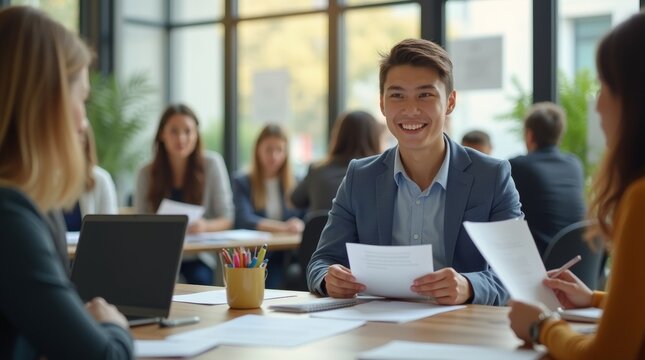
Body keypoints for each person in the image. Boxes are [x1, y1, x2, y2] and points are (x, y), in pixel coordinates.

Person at [307, 38, 522, 306]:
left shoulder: (491, 176)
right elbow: (321, 261)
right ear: (383, 104)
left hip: (460, 329)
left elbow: (517, 275)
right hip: (378, 327)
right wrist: (329, 279)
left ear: (451, 102)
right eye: (397, 95)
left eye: (425, 95)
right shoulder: (359, 177)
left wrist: (468, 286)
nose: (410, 110)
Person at [509, 11, 645, 359]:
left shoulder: (641, 197)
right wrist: (598, 299)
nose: (597, 103)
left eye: (605, 86)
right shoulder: (572, 163)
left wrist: (542, 325)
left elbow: (606, 354)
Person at [0, 6, 133, 359]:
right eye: (82, 100)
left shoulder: (28, 206)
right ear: (48, 104)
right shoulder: (10, 217)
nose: (84, 123)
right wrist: (113, 327)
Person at [134, 104, 234, 285]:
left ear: (196, 135)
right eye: (174, 131)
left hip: (198, 256)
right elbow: (140, 223)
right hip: (159, 255)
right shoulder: (146, 173)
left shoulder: (212, 164)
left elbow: (226, 217)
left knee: (199, 279)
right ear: (162, 135)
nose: (181, 138)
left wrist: (205, 226)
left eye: (188, 131)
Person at [233, 124, 305, 288]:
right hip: (257, 255)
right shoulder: (243, 182)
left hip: (288, 253)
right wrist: (284, 228)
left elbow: (306, 215)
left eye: (279, 150)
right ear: (258, 150)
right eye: (268, 150)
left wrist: (299, 224)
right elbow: (244, 220)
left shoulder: (296, 181)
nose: (274, 156)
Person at [508, 102, 586, 255]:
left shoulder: (519, 166)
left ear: (530, 135)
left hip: (541, 266)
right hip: (578, 261)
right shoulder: (574, 164)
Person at [291, 110, 385, 213]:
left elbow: (295, 200)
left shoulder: (316, 170)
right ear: (374, 138)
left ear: (339, 135)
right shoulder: (380, 175)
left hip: (320, 229)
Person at [63, 125, 119, 231]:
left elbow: (110, 230)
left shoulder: (102, 179)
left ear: (86, 142)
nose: (74, 138)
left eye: (79, 133)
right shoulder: (46, 181)